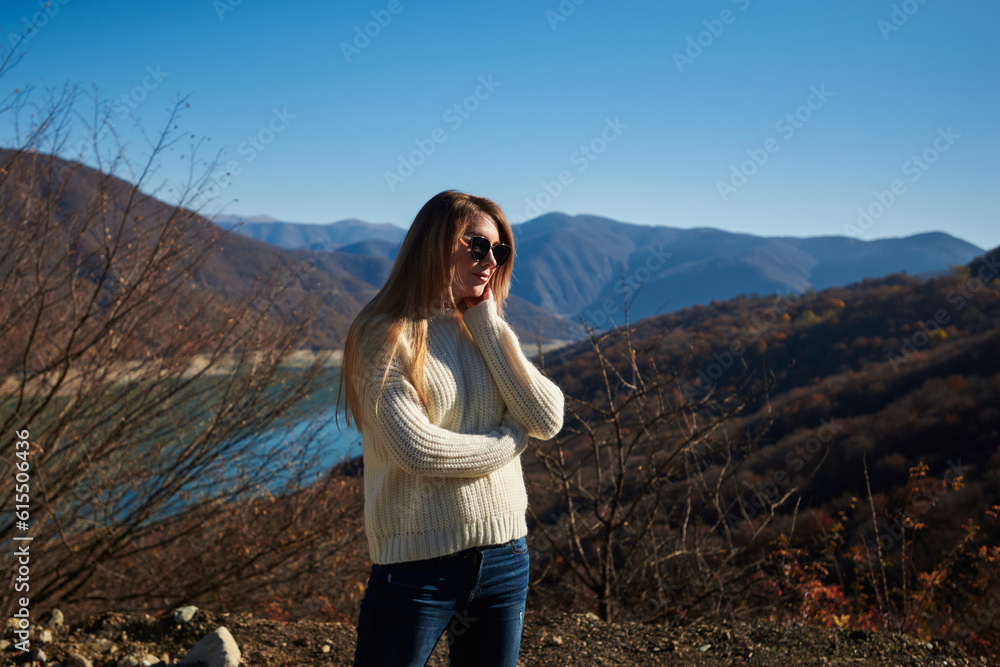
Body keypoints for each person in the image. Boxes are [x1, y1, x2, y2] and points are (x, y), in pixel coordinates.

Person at [339, 190, 565, 666]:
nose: (491, 260)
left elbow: (546, 419)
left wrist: (487, 323)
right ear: (435, 244)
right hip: (417, 564)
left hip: (505, 557)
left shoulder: (484, 328)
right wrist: (508, 439)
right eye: (477, 245)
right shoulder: (383, 332)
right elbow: (419, 450)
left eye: (499, 251)